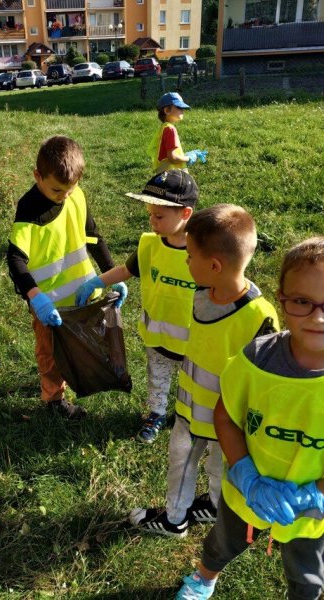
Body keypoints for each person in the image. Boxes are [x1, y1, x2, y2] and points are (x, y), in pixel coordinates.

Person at [175, 236, 324, 600]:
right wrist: (244, 473)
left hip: (313, 510)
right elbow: (226, 416)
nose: (318, 317)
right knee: (222, 543)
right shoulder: (255, 359)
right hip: (245, 491)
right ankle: (204, 577)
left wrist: (314, 494)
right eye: (302, 301)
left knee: (307, 574)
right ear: (282, 298)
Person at [130, 204, 279, 535]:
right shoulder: (202, 293)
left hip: (225, 416)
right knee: (187, 458)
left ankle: (177, 520)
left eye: (190, 256)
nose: (186, 262)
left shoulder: (259, 317)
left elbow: (269, 378)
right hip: (189, 405)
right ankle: (194, 509)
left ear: (214, 266)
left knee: (204, 462)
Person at [76, 169, 199, 444]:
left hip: (195, 342)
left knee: (193, 385)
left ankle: (189, 417)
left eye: (159, 216)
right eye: (150, 214)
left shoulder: (203, 251)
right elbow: (126, 270)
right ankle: (156, 413)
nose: (152, 221)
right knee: (158, 377)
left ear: (185, 214)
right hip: (158, 336)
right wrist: (97, 282)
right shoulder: (149, 245)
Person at [7, 136, 125, 420]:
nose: (64, 196)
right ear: (37, 176)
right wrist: (36, 298)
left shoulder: (76, 196)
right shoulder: (29, 209)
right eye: (56, 190)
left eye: (69, 189)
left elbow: (93, 237)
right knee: (49, 353)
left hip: (82, 294)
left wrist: (111, 274)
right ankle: (53, 400)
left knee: (77, 344)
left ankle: (71, 377)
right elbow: (15, 259)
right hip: (49, 303)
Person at [147, 92, 197, 174]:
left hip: (165, 174)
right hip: (173, 175)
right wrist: (188, 158)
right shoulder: (170, 129)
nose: (182, 110)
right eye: (179, 107)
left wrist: (183, 155)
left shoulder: (164, 128)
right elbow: (172, 158)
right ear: (167, 110)